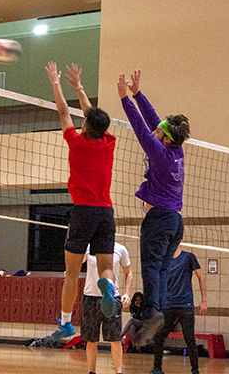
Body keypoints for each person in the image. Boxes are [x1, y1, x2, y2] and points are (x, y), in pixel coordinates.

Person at [45, 62, 117, 341]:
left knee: (71, 274)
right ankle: (108, 286)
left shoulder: (77, 142)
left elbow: (64, 112)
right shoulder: (108, 143)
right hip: (106, 212)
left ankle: (65, 323)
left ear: (85, 125)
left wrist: (56, 83)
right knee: (105, 266)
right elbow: (94, 117)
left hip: (83, 212)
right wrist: (79, 87)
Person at [117, 69, 190, 345]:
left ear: (167, 139)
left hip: (159, 218)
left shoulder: (159, 152)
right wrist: (138, 94)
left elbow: (140, 127)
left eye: (159, 131)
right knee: (160, 269)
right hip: (175, 221)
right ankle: (155, 313)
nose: (155, 130)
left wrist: (125, 100)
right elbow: (153, 122)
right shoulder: (176, 150)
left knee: (150, 266)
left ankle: (150, 311)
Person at [151, 244, 208, 374]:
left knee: (189, 339)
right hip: (168, 304)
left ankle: (195, 371)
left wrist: (204, 300)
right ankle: (157, 369)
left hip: (185, 304)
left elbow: (201, 277)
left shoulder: (189, 257)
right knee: (159, 337)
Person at [81, 242, 132, 374]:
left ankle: (119, 372)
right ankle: (91, 372)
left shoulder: (120, 249)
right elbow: (76, 262)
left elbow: (129, 272)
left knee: (115, 339)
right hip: (90, 297)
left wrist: (127, 293)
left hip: (113, 298)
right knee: (91, 339)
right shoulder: (88, 247)